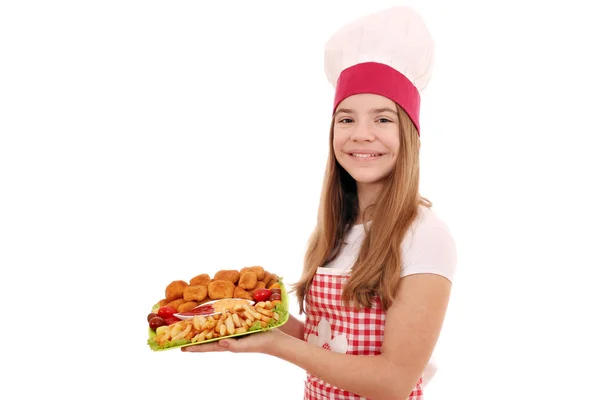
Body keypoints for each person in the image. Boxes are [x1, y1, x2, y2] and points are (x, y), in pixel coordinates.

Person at [183, 6, 457, 400]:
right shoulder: (339, 226)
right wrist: (250, 317)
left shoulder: (424, 234)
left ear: (410, 135)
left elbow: (394, 382)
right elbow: (324, 340)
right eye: (346, 120)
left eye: (382, 120)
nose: (361, 135)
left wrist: (276, 346)